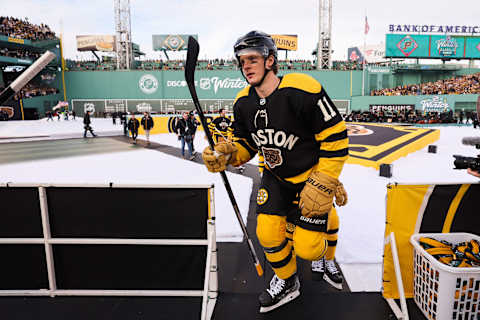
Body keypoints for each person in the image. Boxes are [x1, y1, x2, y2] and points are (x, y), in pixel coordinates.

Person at [201, 31, 349, 313]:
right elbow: (245, 144)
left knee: (308, 248)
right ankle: (287, 280)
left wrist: (328, 179)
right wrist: (228, 153)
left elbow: (336, 136)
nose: (246, 65)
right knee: (267, 233)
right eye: (242, 60)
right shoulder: (242, 101)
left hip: (310, 177)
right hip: (276, 176)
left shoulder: (303, 89)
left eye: (253, 59)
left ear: (270, 60)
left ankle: (326, 229)